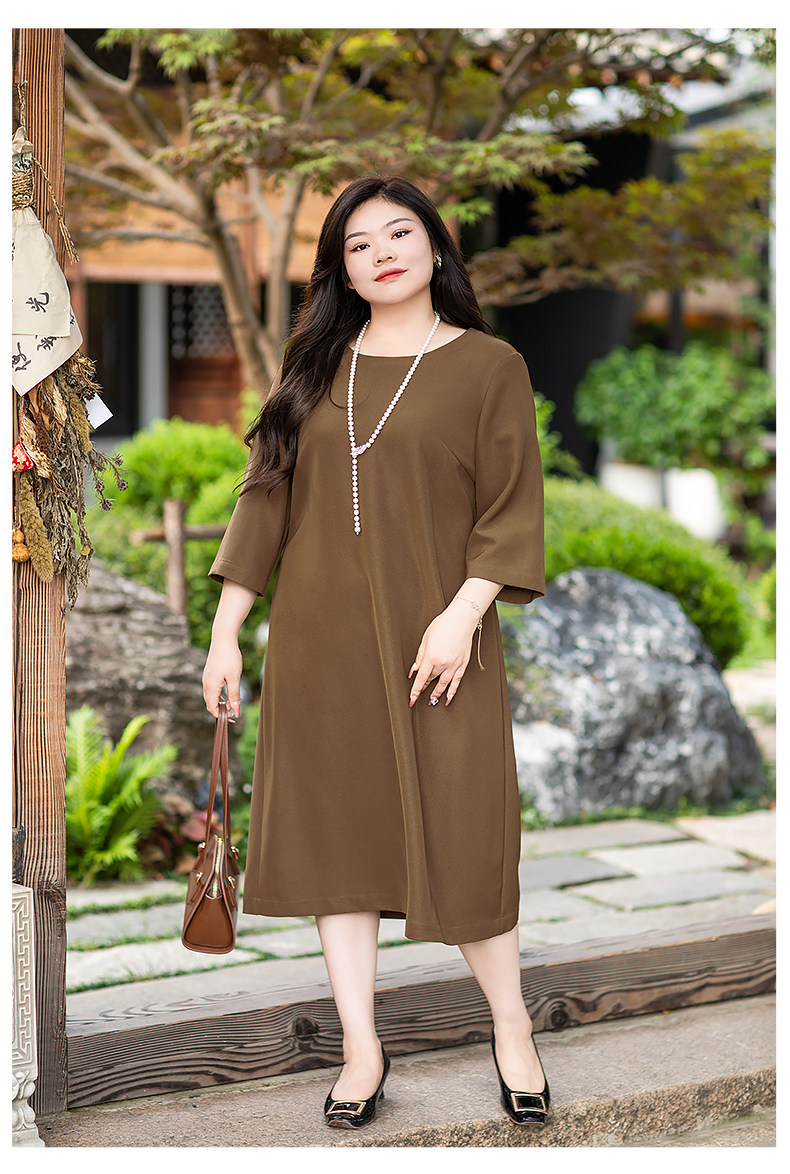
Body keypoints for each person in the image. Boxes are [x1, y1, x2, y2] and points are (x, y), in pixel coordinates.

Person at [202, 175, 547, 1130]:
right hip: (320, 650)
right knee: (339, 844)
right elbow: (265, 498)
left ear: (435, 247)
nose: (381, 253)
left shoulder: (490, 366)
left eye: (398, 234)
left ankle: (512, 1024)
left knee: (467, 832)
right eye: (358, 245)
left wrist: (463, 614)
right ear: (341, 272)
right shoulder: (315, 367)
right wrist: (227, 632)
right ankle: (362, 1047)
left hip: (442, 643)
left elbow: (511, 506)